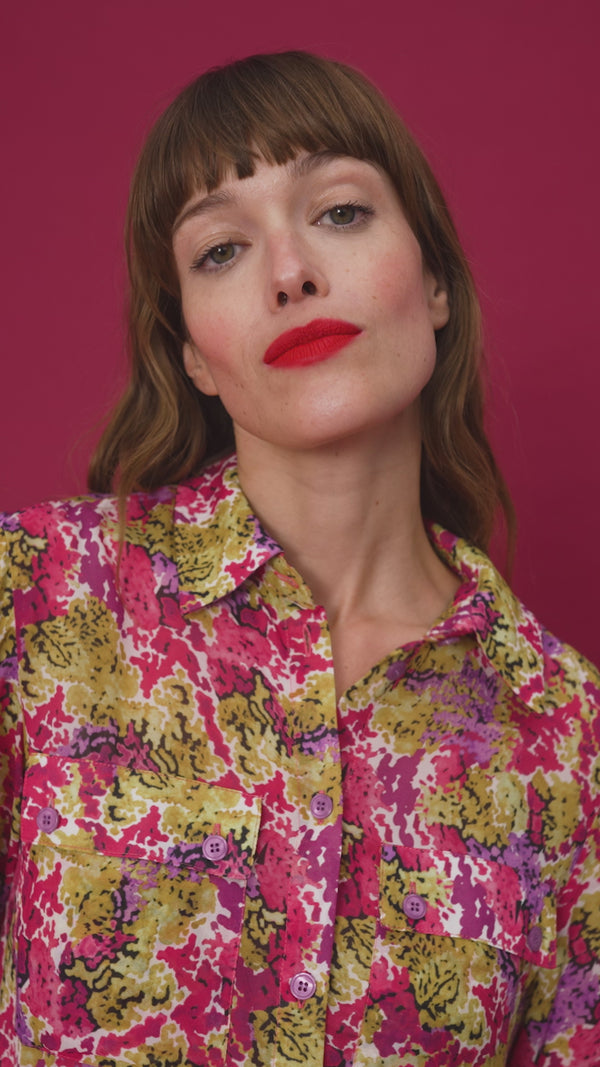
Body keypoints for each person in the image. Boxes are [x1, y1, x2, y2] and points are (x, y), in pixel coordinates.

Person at [0, 50, 598, 1067]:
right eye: (222, 250)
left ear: (436, 281)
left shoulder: (564, 732)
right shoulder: (36, 599)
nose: (290, 273)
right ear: (193, 353)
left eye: (340, 212)